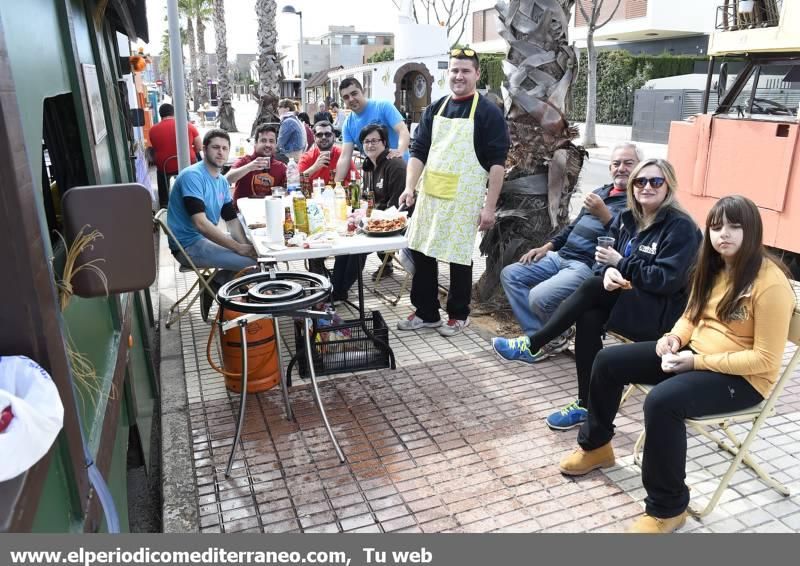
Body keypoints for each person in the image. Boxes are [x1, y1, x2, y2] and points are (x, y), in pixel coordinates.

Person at [558, 195, 795, 533]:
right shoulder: (713, 267)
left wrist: (697, 362)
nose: (723, 234)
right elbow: (691, 315)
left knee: (663, 401)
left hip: (744, 380)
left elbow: (765, 360)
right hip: (694, 355)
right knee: (608, 360)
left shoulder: (770, 285)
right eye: (716, 227)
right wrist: (673, 339)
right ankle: (596, 446)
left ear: (753, 231)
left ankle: (668, 508)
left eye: (734, 226)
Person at [493, 158, 703, 430]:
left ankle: (535, 343)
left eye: (656, 181)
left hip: (661, 318)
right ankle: (585, 405)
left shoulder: (681, 227)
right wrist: (608, 272)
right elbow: (606, 261)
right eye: (641, 181)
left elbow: (665, 281)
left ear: (668, 186)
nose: (647, 186)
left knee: (592, 288)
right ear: (633, 187)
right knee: (590, 315)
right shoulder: (628, 220)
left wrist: (620, 264)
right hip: (630, 302)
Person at [397, 48, 510, 337]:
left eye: (465, 71)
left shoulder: (488, 112)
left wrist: (489, 207)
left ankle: (459, 314)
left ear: (476, 74)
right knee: (422, 251)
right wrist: (410, 187)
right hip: (431, 194)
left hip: (464, 197)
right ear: (448, 73)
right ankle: (426, 312)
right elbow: (419, 151)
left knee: (459, 256)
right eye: (454, 70)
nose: (459, 76)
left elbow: (497, 163)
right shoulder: (436, 108)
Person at [498, 143, 640, 353]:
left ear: (639, 167)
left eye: (628, 163)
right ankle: (546, 336)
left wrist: (605, 215)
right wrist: (547, 247)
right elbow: (573, 227)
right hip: (560, 255)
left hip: (585, 266)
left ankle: (542, 340)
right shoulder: (601, 191)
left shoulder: (637, 201)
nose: (621, 168)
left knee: (538, 297)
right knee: (511, 274)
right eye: (616, 163)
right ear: (610, 168)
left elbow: (628, 241)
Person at [167, 129, 257, 320]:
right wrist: (239, 248)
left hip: (202, 241)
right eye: (215, 147)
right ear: (204, 149)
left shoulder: (222, 181)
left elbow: (231, 220)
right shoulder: (193, 176)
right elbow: (200, 223)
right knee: (253, 264)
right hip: (187, 246)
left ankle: (215, 282)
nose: (221, 152)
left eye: (225, 148)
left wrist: (248, 247)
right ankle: (219, 286)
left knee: (258, 257)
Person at [329, 124, 408, 300]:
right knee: (344, 240)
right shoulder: (369, 167)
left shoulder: (395, 166)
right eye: (366, 141)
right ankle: (335, 287)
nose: (370, 145)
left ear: (385, 142)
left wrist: (368, 217)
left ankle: (339, 293)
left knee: (356, 247)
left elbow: (397, 206)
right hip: (374, 220)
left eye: (375, 141)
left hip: (396, 223)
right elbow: (367, 199)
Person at [333, 78, 410, 183]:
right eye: (346, 97)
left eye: (354, 93)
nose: (351, 99)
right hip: (376, 175)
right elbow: (345, 157)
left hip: (399, 169)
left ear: (363, 91)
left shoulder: (383, 106)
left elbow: (403, 131)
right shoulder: (348, 124)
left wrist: (400, 151)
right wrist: (336, 185)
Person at [149, 103, 202, 208]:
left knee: (160, 174)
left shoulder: (152, 130)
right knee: (198, 162)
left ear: (160, 115)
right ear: (174, 113)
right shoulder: (188, 125)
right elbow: (199, 147)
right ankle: (196, 194)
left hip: (165, 166)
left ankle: (164, 203)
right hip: (188, 164)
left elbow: (155, 148)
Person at [226, 124, 287, 205]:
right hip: (243, 212)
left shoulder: (281, 167)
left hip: (270, 211)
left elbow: (288, 191)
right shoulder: (245, 161)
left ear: (276, 145)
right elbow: (226, 179)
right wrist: (249, 167)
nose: (268, 145)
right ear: (255, 143)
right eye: (263, 141)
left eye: (271, 141)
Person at [298, 120, 358, 185]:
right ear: (314, 138)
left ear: (334, 137)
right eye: (319, 135)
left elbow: (357, 180)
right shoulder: (306, 157)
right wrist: (315, 167)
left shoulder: (343, 155)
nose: (324, 137)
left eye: (327, 134)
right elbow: (296, 182)